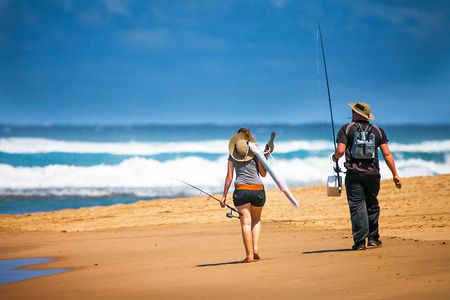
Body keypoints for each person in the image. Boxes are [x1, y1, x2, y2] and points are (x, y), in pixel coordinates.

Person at [332, 102, 402, 250]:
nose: (351, 113)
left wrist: (335, 158)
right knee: (372, 204)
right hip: (373, 174)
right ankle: (373, 238)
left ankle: (359, 242)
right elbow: (387, 154)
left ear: (358, 114)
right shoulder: (378, 131)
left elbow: (340, 150)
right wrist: (395, 174)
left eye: (353, 111)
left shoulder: (346, 129)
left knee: (357, 205)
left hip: (354, 173)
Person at [220, 128, 270, 263]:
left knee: (245, 223)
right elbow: (264, 174)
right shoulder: (256, 152)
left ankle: (249, 256)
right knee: (256, 220)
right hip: (258, 189)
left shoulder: (232, 155)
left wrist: (224, 196)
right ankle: (256, 249)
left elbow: (229, 177)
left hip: (241, 190)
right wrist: (263, 156)